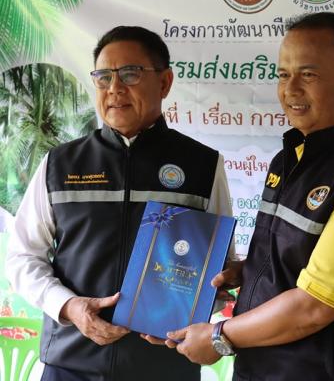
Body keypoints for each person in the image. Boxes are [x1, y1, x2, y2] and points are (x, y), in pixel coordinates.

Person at [161, 12, 334, 381]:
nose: (291, 89)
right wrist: (247, 271)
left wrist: (218, 337)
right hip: (257, 369)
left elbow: (314, 307)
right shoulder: (289, 158)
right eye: (283, 75)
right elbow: (290, 258)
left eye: (308, 75)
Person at [6, 26, 234, 381]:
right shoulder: (60, 163)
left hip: (164, 366)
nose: (114, 88)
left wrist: (192, 313)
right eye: (103, 77)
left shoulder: (202, 165)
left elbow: (218, 265)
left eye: (130, 74)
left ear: (164, 82)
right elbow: (22, 256)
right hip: (71, 364)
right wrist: (68, 306)